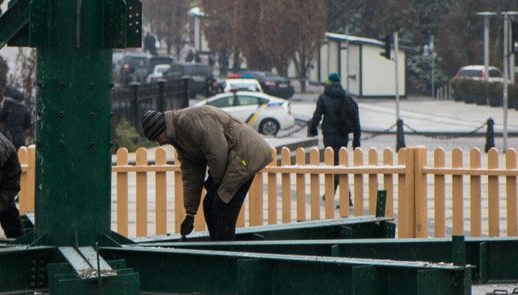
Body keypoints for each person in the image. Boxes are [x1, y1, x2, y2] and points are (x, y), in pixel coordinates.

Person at [139, 106, 274, 241]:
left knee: (222, 207)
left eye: (157, 138)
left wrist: (214, 184)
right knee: (209, 204)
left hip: (245, 154)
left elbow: (217, 153)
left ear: (162, 129)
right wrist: (190, 214)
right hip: (232, 158)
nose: (160, 143)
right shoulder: (179, 139)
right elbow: (191, 175)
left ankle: (226, 255)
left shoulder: (189, 122)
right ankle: (217, 247)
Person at [307, 72, 361, 193]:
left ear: (328, 83)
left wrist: (312, 129)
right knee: (339, 163)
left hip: (329, 136)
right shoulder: (346, 97)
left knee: (334, 164)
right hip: (343, 135)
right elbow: (356, 118)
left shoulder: (323, 97)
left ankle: (345, 196)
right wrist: (357, 139)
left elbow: (317, 116)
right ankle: (332, 193)